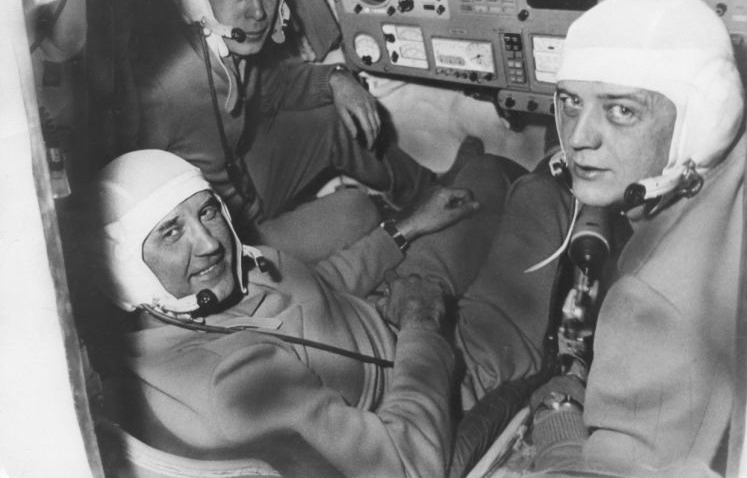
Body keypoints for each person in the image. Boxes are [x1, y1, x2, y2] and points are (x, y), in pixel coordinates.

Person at [91, 147, 522, 477]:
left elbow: (315, 285)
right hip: (434, 379)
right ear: (126, 273)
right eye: (171, 232)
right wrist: (423, 324)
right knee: (539, 196)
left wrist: (403, 230)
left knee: (488, 172)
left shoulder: (202, 290)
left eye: (207, 211)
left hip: (396, 310)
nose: (209, 243)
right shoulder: (233, 382)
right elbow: (406, 465)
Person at [458, 0, 746, 477]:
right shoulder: (746, 169)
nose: (577, 137)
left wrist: (559, 411)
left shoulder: (648, 306)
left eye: (621, 110)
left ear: (704, 118)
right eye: (571, 102)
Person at [134, 0, 435, 257]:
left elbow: (278, 83)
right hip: (225, 241)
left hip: (247, 192)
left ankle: (427, 192)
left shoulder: (232, 52)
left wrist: (338, 78)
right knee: (359, 210)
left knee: (333, 119)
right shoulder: (159, 93)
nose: (259, 12)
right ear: (196, 1)